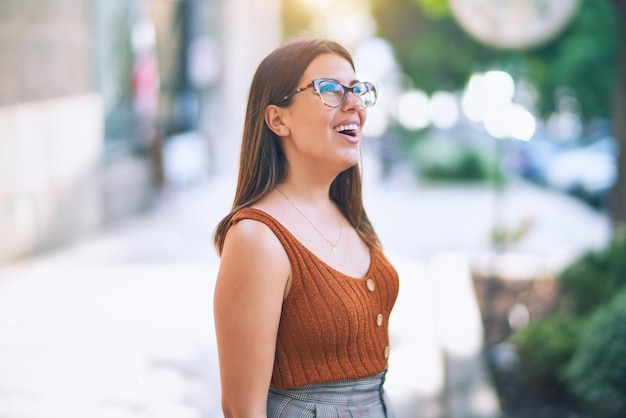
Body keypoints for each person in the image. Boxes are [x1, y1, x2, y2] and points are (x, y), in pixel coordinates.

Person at [213, 37, 399, 418]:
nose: (354, 104)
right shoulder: (257, 239)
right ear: (278, 119)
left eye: (358, 90)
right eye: (329, 89)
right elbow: (241, 410)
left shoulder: (348, 213)